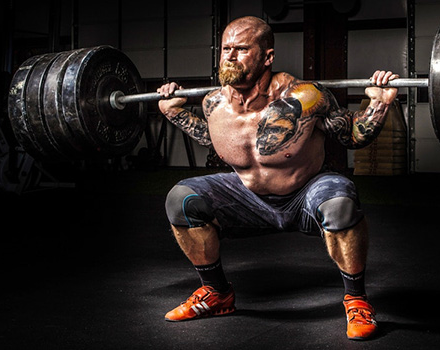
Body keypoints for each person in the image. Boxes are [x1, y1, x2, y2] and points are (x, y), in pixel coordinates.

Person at [157, 15, 399, 341]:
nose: (229, 56)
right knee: (181, 199)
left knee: (341, 202)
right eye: (226, 48)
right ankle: (216, 293)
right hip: (247, 197)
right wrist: (176, 113)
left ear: (267, 57)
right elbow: (211, 138)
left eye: (241, 49)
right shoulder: (213, 103)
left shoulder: (307, 97)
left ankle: (356, 299)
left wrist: (379, 105)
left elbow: (353, 134)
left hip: (304, 191)